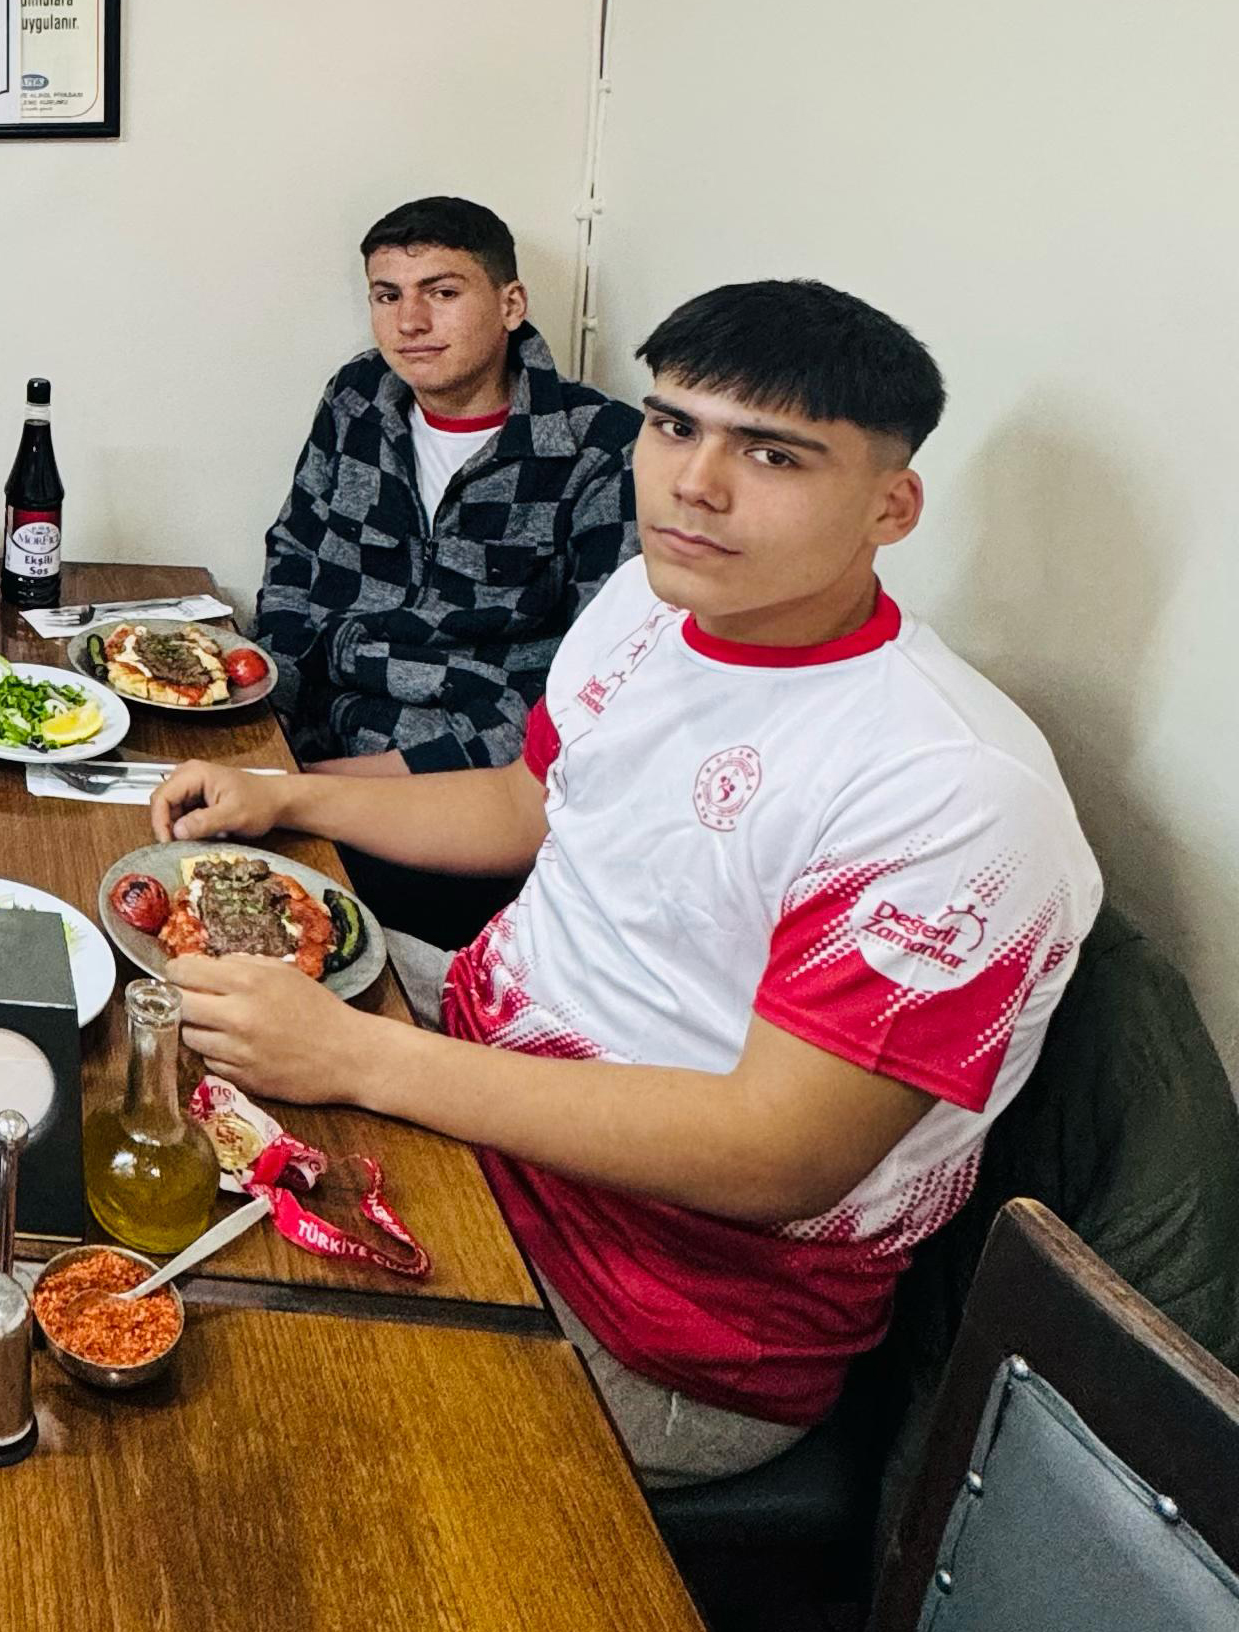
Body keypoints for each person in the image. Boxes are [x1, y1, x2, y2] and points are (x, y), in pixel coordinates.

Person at [151, 281, 1100, 1486]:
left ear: (892, 505)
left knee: (216, 1424)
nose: (694, 483)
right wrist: (289, 798)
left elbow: (776, 1155)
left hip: (651, 1309)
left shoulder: (953, 786)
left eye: (771, 454)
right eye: (672, 426)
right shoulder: (652, 608)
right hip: (475, 1052)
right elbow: (531, 805)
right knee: (117, 1022)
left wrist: (359, 1060)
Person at [254, 197, 643, 943]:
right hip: (309, 741)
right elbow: (295, 561)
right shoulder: (359, 397)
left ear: (511, 303)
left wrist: (301, 791)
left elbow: (590, 693)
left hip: (460, 798)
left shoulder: (601, 450)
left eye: (443, 292)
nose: (410, 324)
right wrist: (262, 721)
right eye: (387, 295)